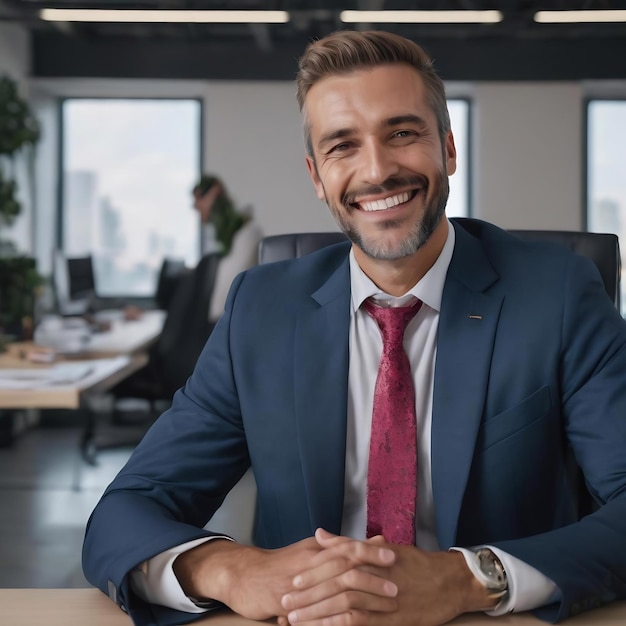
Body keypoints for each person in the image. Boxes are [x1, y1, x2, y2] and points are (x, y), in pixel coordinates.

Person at [82, 30, 626, 626]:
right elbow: (125, 512)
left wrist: (467, 579)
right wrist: (235, 570)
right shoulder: (260, 313)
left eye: (402, 133)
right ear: (317, 177)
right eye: (343, 146)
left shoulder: (560, 297)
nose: (378, 170)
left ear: (447, 148)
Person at [192, 174, 263, 322]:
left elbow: (224, 296)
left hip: (228, 320)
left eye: (200, 199)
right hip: (217, 321)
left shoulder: (247, 234)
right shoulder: (218, 237)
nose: (196, 206)